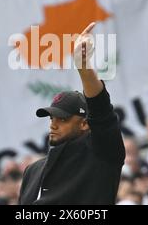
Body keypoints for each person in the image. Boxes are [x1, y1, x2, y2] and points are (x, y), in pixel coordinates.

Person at [18, 22, 125, 205]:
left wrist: (83, 67)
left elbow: (101, 112)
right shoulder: (33, 170)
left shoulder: (101, 153)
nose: (53, 124)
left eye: (63, 118)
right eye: (51, 117)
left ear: (84, 123)